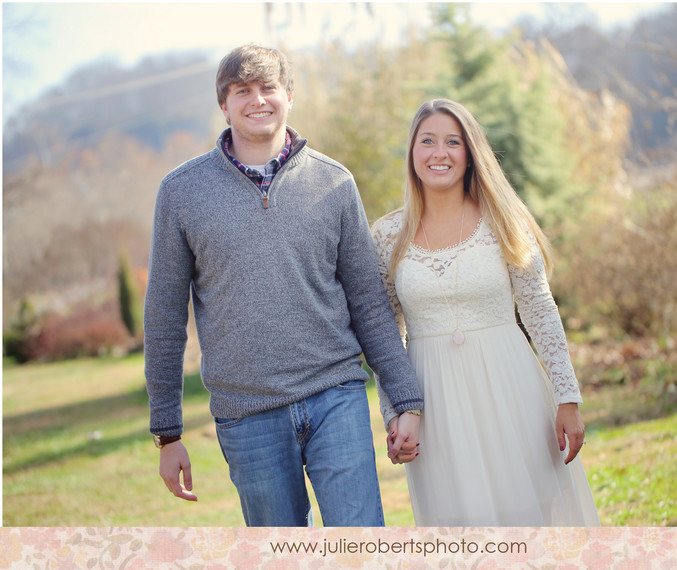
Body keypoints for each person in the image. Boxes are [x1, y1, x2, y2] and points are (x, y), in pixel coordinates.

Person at [144, 44, 423, 527]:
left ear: (289, 95)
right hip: (246, 413)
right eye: (242, 91)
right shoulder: (182, 192)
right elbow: (164, 317)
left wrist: (405, 402)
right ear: (224, 104)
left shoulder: (334, 182)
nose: (258, 100)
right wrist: (167, 433)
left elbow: (369, 304)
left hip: (335, 392)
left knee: (360, 543)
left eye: (268, 87)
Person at [371, 98, 599, 526]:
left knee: (529, 517)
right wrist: (397, 412)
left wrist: (568, 398)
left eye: (453, 142)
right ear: (412, 152)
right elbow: (384, 336)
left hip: (509, 387)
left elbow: (539, 310)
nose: (440, 152)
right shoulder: (386, 236)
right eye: (428, 141)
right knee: (460, 527)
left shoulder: (503, 221)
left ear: (470, 153)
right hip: (433, 405)